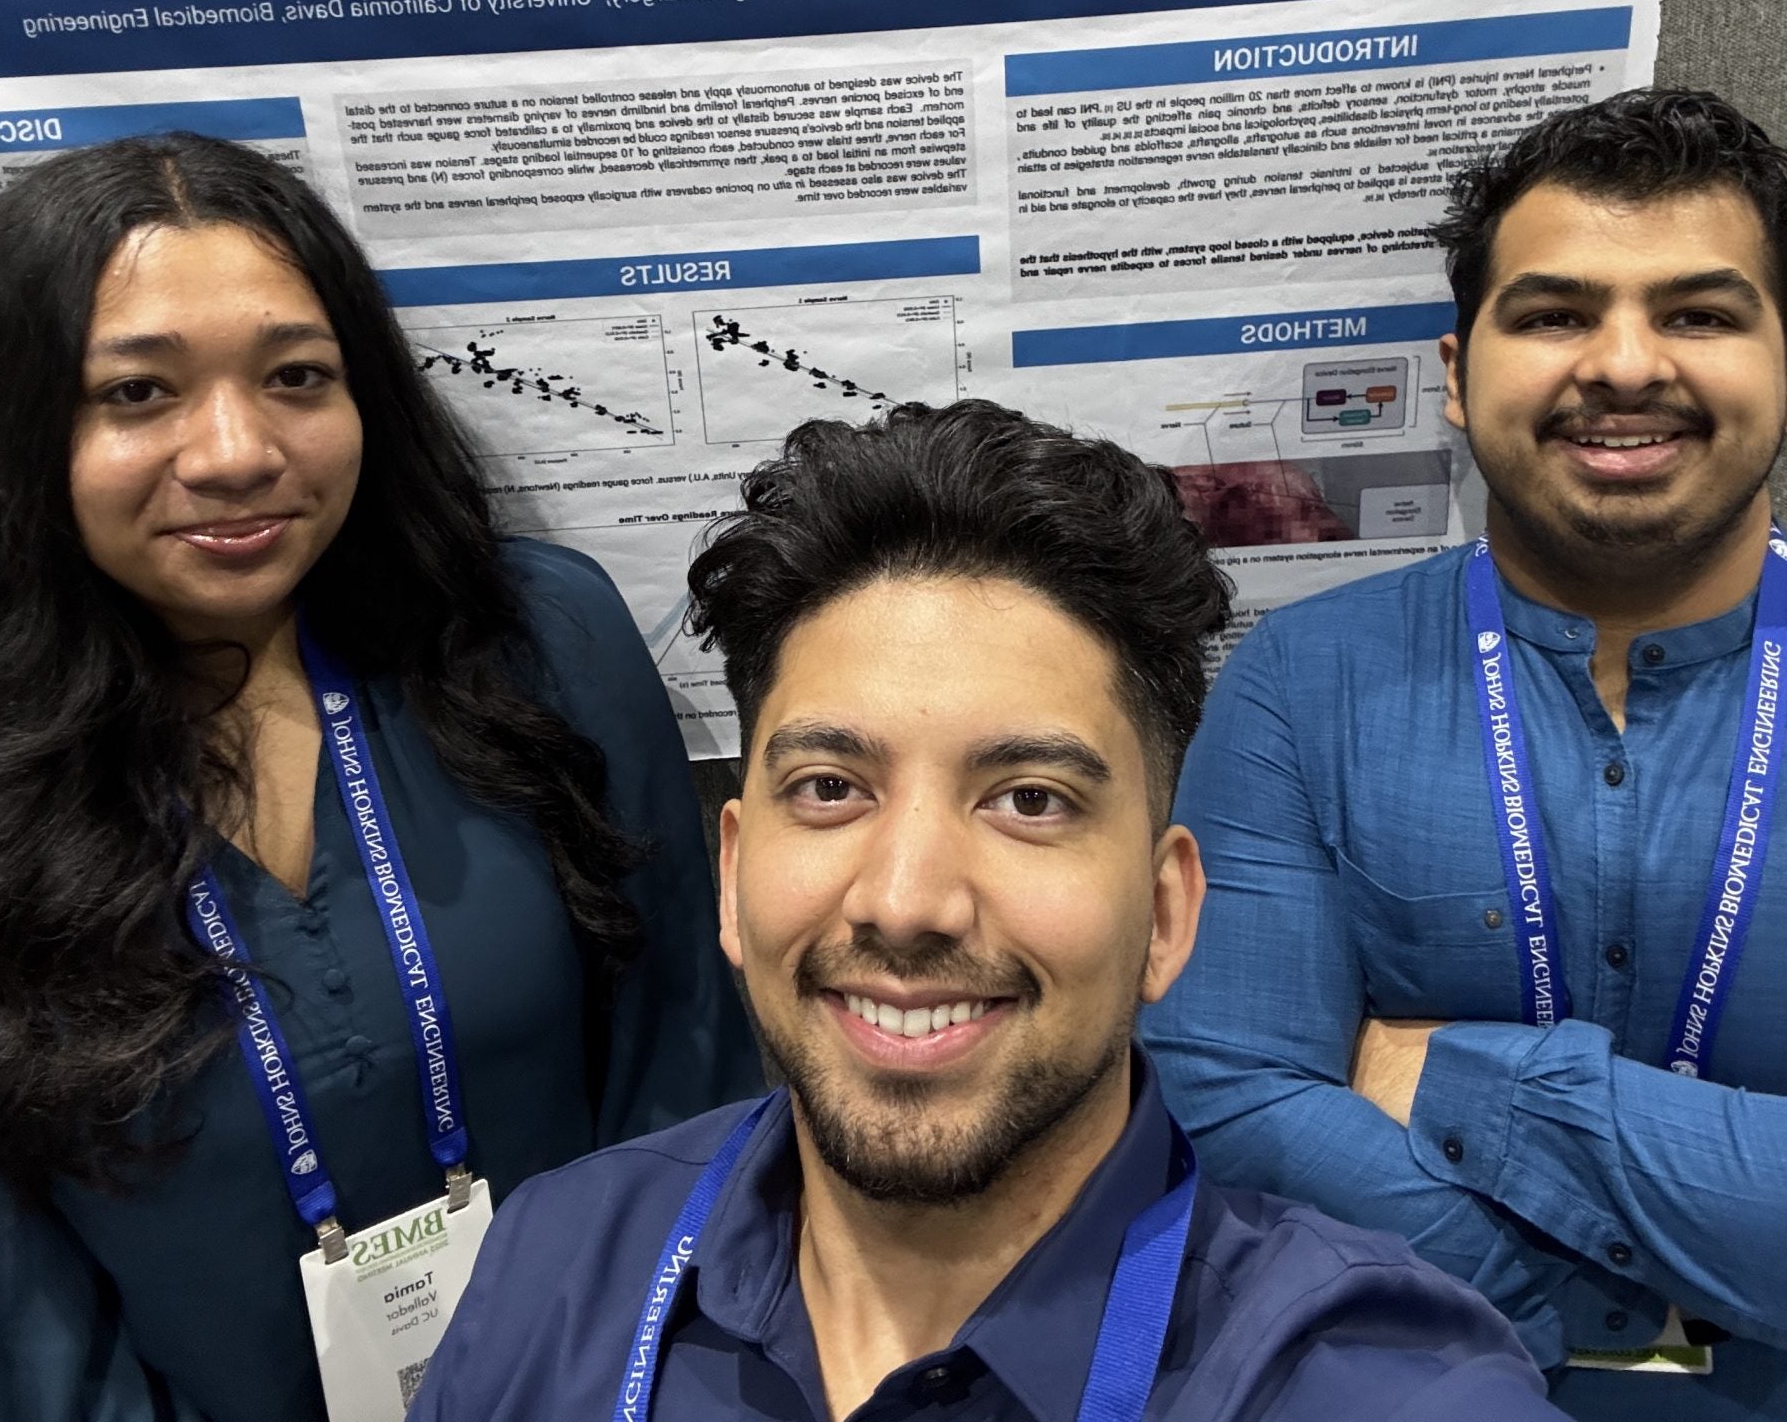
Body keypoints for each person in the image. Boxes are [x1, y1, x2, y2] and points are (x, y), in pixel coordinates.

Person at [0, 135, 758, 1422]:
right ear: (24, 429)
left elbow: (688, 1071)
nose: (234, 451)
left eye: (296, 376)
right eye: (138, 394)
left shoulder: (539, 655)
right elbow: (27, 1347)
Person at [1144, 89, 1787, 1421]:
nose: (1623, 363)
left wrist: (1453, 1077)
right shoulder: (1295, 692)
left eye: (1700, 314)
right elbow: (1225, 1120)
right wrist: (1733, 1256)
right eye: (1554, 314)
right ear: (1454, 368)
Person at [411, 399, 1564, 1420]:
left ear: (1164, 915)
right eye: (829, 789)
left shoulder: (1378, 1385)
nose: (906, 902)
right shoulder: (553, 1271)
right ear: (730, 873)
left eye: (1027, 799)